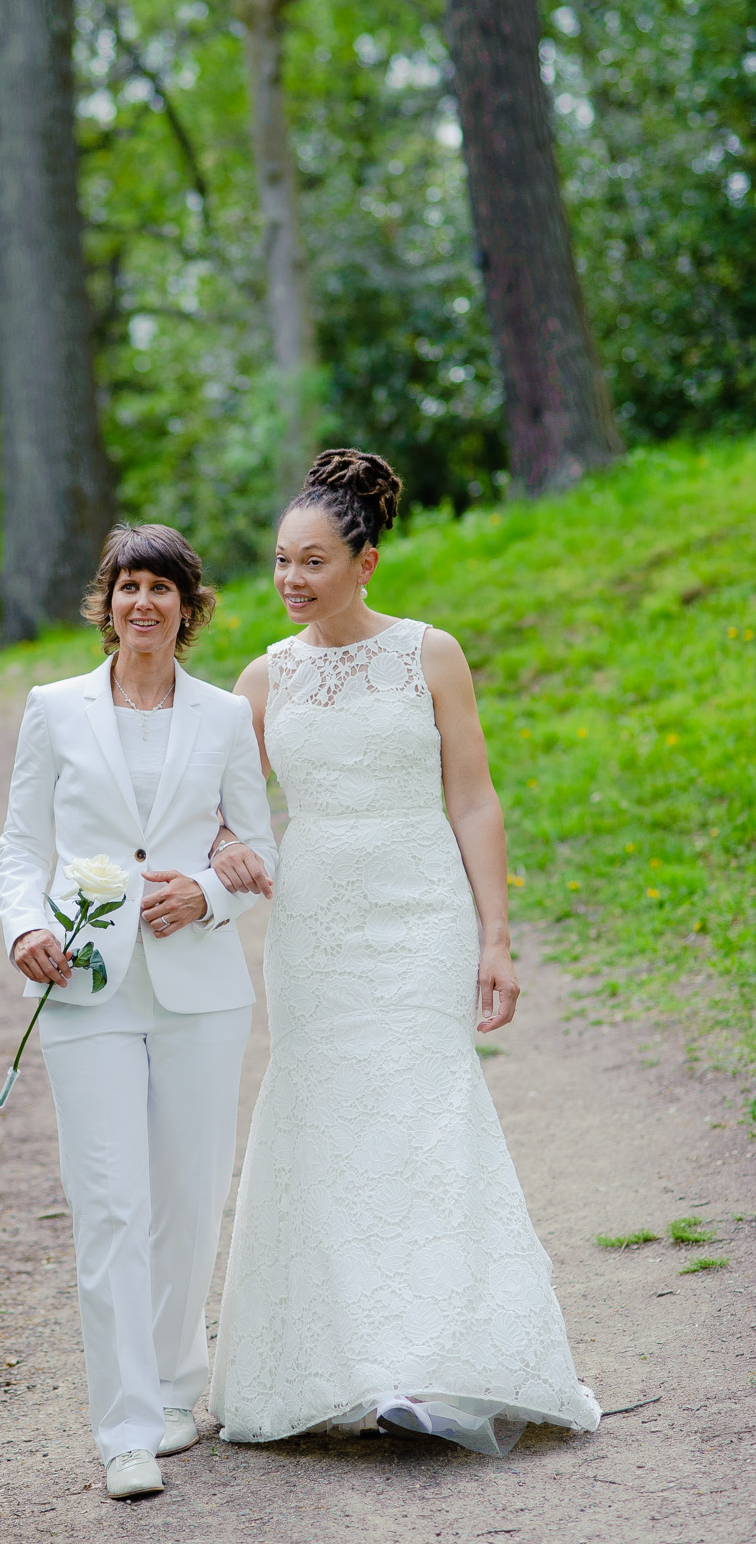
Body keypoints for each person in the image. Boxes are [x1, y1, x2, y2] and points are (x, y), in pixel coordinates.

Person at [209, 449, 600, 1457]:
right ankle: (345, 1364)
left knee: (426, 1115)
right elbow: (220, 809)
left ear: (365, 560)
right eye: (279, 561)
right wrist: (214, 854)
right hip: (313, 927)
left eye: (312, 560)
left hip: (420, 913)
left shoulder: (431, 654)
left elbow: (471, 797)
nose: (290, 580)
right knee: (325, 1118)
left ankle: (434, 1362)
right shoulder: (263, 675)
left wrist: (495, 939)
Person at [0, 524, 277, 1498]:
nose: (142, 602)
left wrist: (208, 889)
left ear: (187, 608)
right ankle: (120, 1428)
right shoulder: (53, 709)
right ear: (104, 603)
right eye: (126, 586)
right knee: (110, 1200)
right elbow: (18, 847)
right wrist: (23, 928)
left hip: (199, 985)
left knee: (187, 1198)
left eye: (161, 587)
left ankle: (172, 1391)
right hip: (83, 987)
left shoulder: (223, 717)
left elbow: (258, 849)